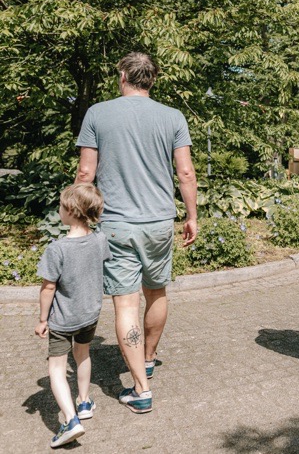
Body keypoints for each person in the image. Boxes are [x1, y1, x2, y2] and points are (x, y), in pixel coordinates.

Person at [76, 52, 198, 413]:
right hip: (160, 222)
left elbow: (86, 174)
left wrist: (79, 217)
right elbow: (186, 173)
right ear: (152, 79)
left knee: (125, 303)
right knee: (156, 291)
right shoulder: (172, 117)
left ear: (124, 76)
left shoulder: (98, 113)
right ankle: (147, 358)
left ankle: (140, 389)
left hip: (116, 225)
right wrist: (191, 216)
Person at [35, 184, 111, 448]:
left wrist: (43, 319)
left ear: (69, 210)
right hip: (90, 313)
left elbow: (48, 288)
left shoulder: (57, 249)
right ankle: (84, 402)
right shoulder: (100, 239)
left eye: (60, 206)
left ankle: (70, 420)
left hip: (63, 319)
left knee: (56, 367)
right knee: (83, 354)